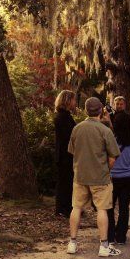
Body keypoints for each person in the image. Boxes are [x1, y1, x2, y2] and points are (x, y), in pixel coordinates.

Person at [67, 97, 122, 257]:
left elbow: (72, 151)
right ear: (101, 111)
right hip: (100, 177)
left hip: (80, 175)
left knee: (76, 207)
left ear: (85, 110)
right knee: (102, 209)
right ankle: (104, 246)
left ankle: (72, 242)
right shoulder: (105, 130)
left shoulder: (77, 128)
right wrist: (106, 169)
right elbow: (113, 156)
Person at [106, 96, 130, 245]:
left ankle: (109, 234)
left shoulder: (111, 140)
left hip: (113, 177)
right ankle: (121, 236)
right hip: (128, 178)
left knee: (109, 207)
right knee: (124, 207)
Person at [53, 90, 77, 218]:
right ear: (67, 101)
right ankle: (63, 209)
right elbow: (69, 136)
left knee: (67, 182)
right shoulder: (63, 117)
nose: (75, 102)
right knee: (65, 183)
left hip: (66, 154)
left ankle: (65, 207)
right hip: (65, 155)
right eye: (73, 100)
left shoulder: (65, 116)